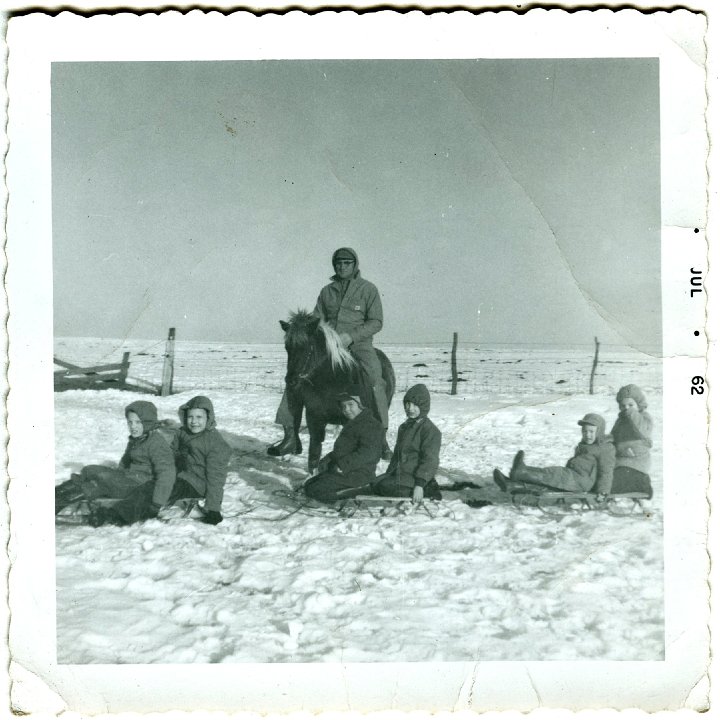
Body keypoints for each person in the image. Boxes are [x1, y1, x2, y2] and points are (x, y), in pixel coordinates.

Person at [268, 247, 389, 456]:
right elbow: (317, 319)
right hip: (329, 347)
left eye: (347, 263)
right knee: (297, 377)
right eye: (338, 263)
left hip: (358, 345)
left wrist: (350, 337)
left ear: (355, 265)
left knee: (374, 377)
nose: (342, 267)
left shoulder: (368, 289)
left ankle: (381, 435)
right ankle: (290, 435)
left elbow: (376, 321)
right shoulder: (327, 291)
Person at [54, 400, 176, 525]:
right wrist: (117, 476)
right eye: (130, 422)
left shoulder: (157, 444)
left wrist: (157, 503)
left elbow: (167, 474)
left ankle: (58, 503)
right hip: (128, 480)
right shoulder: (137, 439)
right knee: (90, 469)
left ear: (148, 423)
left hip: (139, 486)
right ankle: (57, 493)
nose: (133, 426)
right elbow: (125, 461)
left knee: (101, 478)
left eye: (138, 422)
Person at [492, 413, 615, 498]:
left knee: (553, 475)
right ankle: (514, 482)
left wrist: (603, 492)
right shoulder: (585, 444)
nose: (587, 435)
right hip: (574, 475)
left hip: (582, 482)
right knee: (550, 473)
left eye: (591, 432)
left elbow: (606, 472)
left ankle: (521, 473)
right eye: (584, 431)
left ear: (599, 432)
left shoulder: (605, 448)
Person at [303, 386, 384, 504]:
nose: (346, 409)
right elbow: (343, 449)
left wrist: (342, 465)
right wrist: (327, 461)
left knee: (314, 488)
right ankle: (339, 492)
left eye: (351, 405)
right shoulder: (353, 423)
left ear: (360, 404)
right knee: (310, 483)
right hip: (346, 471)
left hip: (360, 474)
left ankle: (351, 494)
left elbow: (368, 454)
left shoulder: (371, 425)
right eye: (343, 406)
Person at [373, 384, 442, 502]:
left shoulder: (429, 430)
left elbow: (430, 460)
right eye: (408, 404)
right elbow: (397, 456)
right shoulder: (404, 428)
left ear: (423, 406)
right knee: (375, 483)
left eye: (415, 405)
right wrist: (389, 474)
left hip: (415, 477)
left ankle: (428, 490)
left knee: (384, 486)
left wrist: (419, 485)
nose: (410, 408)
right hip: (402, 474)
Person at [608, 384, 654, 498]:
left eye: (631, 405)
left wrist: (631, 413)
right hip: (620, 462)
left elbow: (643, 431)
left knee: (612, 481)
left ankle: (643, 487)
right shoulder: (621, 420)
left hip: (636, 465)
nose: (626, 408)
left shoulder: (644, 417)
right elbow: (613, 437)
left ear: (639, 405)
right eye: (623, 406)